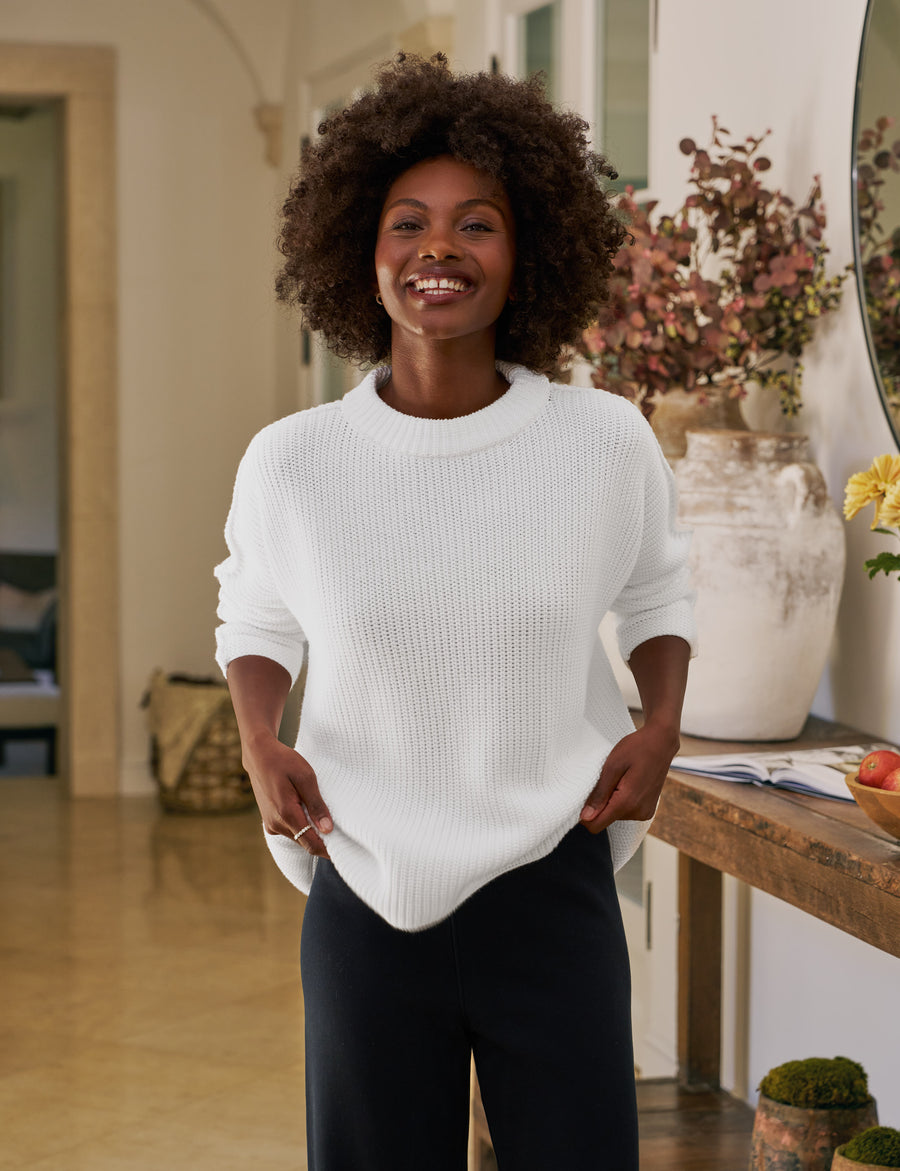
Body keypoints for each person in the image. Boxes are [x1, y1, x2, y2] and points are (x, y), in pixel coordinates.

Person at [215, 53, 695, 1171]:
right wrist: (256, 741)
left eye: (477, 223)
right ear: (360, 251)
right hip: (365, 885)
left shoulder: (601, 440)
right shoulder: (294, 462)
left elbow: (659, 588)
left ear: (526, 255)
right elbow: (256, 611)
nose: (439, 247)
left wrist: (661, 723)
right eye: (407, 223)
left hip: (552, 878)